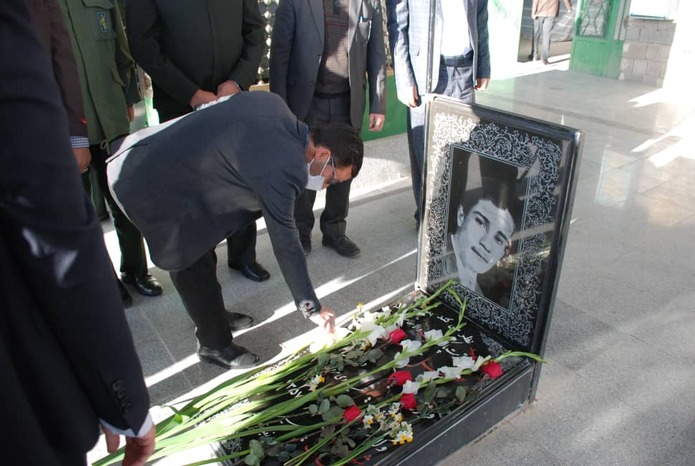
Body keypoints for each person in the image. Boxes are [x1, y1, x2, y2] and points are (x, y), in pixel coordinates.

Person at [0, 0, 155, 463]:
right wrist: (121, 396)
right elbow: (49, 218)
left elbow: (117, 56)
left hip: (101, 119)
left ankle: (133, 271)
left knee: (120, 206)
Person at [107, 91, 362, 370]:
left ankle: (214, 317)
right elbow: (286, 243)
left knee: (202, 241)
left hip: (156, 157)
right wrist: (311, 306)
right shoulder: (285, 168)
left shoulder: (275, 105)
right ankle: (213, 345)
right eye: (332, 178)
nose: (324, 186)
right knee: (191, 259)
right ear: (322, 154)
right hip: (145, 178)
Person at [125, 0, 271, 284]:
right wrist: (190, 92)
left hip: (232, 98)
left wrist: (238, 81)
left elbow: (255, 31)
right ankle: (201, 268)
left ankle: (243, 255)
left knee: (240, 176)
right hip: (180, 101)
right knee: (191, 189)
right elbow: (142, 43)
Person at [58, 0, 163, 302]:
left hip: (111, 112)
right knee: (81, 212)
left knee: (122, 197)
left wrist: (128, 97)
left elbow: (120, 47)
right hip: (66, 124)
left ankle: (136, 270)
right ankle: (103, 280)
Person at [269, 0, 387, 257]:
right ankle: (301, 231)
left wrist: (378, 103)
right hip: (307, 103)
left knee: (343, 169)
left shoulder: (369, 3)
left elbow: (377, 54)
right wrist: (279, 107)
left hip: (348, 102)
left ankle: (335, 231)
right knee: (306, 169)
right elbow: (279, 56)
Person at [386, 0, 491, 225]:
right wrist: (404, 80)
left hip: (465, 70)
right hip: (425, 73)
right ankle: (428, 222)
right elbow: (397, 25)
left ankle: (450, 217)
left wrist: (483, 65)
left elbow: (480, 15)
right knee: (426, 155)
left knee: (460, 152)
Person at [449, 186, 515, 296]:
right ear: (461, 215)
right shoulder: (432, 261)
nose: (486, 245)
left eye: (498, 239)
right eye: (480, 223)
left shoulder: (478, 295)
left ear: (506, 249)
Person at [530, 0, 573, 65]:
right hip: (551, 12)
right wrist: (569, 7)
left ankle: (534, 55)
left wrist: (533, 12)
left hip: (539, 11)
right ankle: (544, 59)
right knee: (547, 35)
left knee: (536, 33)